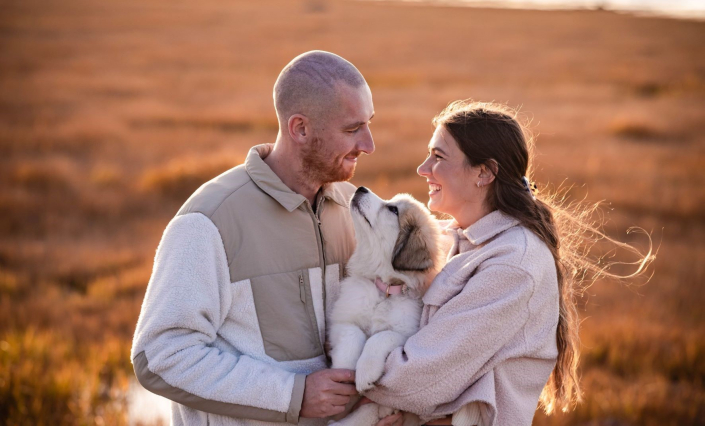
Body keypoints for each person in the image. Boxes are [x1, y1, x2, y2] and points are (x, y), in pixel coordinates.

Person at [362, 100, 652, 426]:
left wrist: (348, 375)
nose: (423, 168)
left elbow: (414, 381)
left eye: (439, 157)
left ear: (484, 172)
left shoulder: (513, 266)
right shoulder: (452, 237)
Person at [131, 50, 375, 426]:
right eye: (351, 129)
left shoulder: (353, 207)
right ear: (300, 129)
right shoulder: (209, 221)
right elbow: (161, 354)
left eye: (368, 124)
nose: (368, 144)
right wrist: (293, 395)